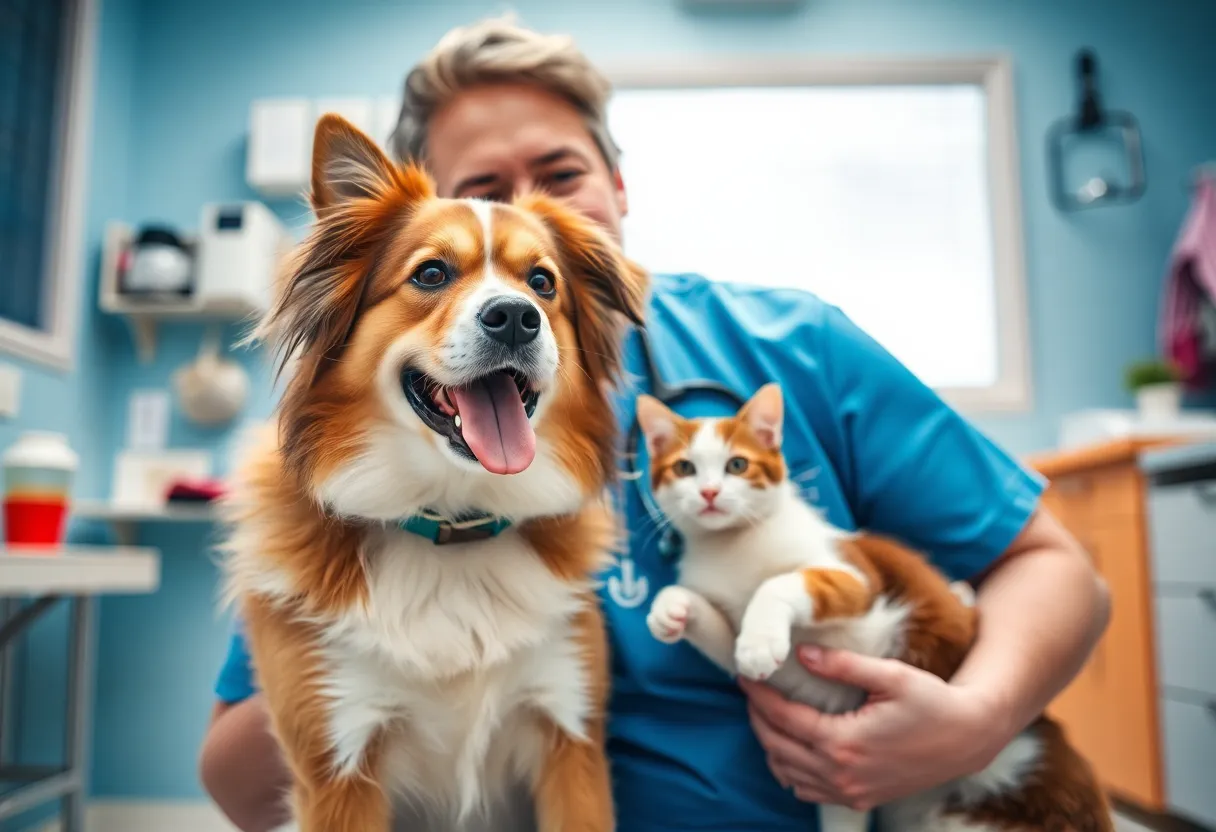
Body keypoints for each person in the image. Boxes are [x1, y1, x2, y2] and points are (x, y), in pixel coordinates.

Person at [199, 16, 1110, 832]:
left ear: (618, 185)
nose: (510, 280)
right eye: (481, 192)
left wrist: (974, 720)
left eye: (560, 175)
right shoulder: (337, 469)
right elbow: (240, 786)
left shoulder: (796, 347)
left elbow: (1057, 569)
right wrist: (372, 657)